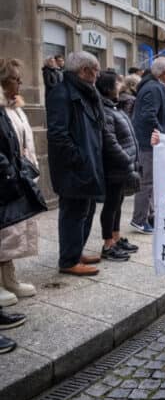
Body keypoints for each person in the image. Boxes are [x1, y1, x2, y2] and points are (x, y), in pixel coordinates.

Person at [46, 52, 107, 276]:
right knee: (73, 213)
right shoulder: (62, 94)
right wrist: (79, 158)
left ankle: (76, 251)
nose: (98, 75)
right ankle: (68, 260)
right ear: (84, 71)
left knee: (86, 209)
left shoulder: (84, 92)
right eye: (96, 70)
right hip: (74, 168)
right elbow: (58, 135)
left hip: (87, 162)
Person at [0, 59, 46, 303]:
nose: (20, 83)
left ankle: (9, 279)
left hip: (19, 175)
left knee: (14, 231)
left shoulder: (15, 107)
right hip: (5, 178)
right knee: (4, 230)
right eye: (16, 79)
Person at [96, 71, 141, 261]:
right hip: (115, 166)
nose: (120, 86)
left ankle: (115, 237)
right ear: (108, 88)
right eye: (117, 83)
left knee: (119, 202)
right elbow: (111, 141)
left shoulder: (114, 107)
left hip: (123, 165)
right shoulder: (106, 111)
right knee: (111, 204)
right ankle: (108, 244)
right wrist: (126, 160)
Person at [130, 57, 165, 234]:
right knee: (146, 182)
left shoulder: (153, 86)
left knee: (150, 182)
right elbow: (148, 116)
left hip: (150, 141)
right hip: (148, 143)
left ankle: (148, 216)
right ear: (164, 73)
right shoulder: (154, 88)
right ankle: (138, 219)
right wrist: (161, 133)